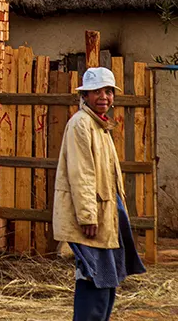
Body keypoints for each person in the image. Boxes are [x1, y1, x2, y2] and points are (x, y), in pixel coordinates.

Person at [52, 66, 145, 321]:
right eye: (96, 92)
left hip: (106, 213)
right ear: (85, 96)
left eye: (108, 91)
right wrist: (87, 217)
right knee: (95, 277)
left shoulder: (100, 125)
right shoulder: (81, 125)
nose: (103, 97)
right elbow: (81, 175)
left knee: (107, 278)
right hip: (92, 217)